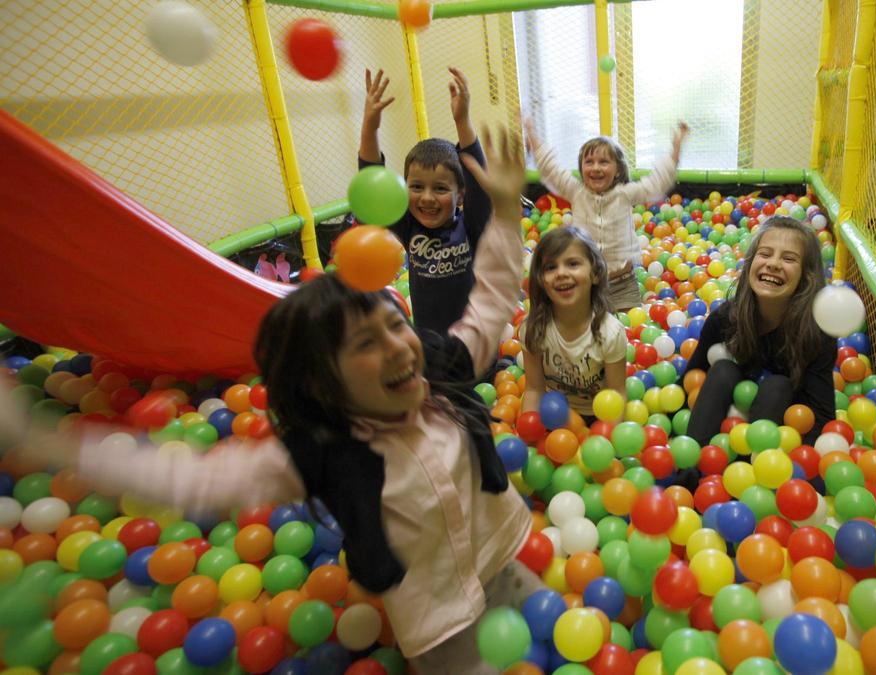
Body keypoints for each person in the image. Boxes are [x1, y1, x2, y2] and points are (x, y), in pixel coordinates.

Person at [2, 128, 540, 673]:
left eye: (396, 325)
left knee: (540, 632)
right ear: (325, 381)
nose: (398, 346)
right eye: (365, 344)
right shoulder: (325, 451)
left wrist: (504, 213)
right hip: (437, 616)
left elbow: (489, 302)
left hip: (500, 557)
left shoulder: (439, 372)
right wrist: (45, 442)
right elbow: (196, 479)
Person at [357, 67, 490, 335]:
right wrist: (370, 127)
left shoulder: (471, 226)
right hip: (430, 342)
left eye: (440, 189)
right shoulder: (409, 226)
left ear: (460, 195)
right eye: (416, 187)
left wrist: (463, 121)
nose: (427, 198)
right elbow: (373, 184)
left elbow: (479, 180)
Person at [685, 215, 837, 447]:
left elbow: (822, 417)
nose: (773, 264)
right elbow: (690, 380)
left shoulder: (816, 334)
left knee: (778, 386)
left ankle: (752, 464)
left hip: (778, 440)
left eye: (789, 258)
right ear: (749, 264)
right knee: (723, 370)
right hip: (721, 432)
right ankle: (693, 461)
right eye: (765, 254)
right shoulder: (725, 319)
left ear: (806, 277)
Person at [525, 119, 689, 311]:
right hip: (588, 286)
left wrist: (675, 151)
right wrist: (532, 136)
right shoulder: (576, 193)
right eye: (589, 162)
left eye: (604, 162)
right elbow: (551, 171)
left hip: (623, 283)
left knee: (629, 326)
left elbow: (656, 184)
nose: (596, 168)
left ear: (617, 170)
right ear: (581, 168)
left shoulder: (625, 194)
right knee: (588, 326)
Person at [520, 226, 628, 420]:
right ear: (541, 280)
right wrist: (529, 430)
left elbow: (616, 394)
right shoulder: (533, 328)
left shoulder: (610, 333)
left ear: (595, 273)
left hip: (597, 416)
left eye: (572, 264)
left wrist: (607, 434)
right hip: (553, 415)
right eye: (550, 267)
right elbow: (534, 389)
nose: (561, 273)